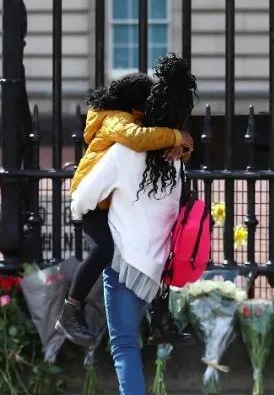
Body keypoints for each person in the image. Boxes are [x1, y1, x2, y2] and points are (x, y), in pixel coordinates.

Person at [70, 53, 198, 395]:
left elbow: (81, 198)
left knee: (123, 346)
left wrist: (99, 216)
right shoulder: (175, 160)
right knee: (133, 341)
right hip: (157, 270)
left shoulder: (124, 153)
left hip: (125, 264)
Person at [56, 67, 193, 348]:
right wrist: (177, 137)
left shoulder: (129, 119)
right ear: (136, 104)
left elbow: (158, 150)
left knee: (159, 244)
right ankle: (70, 310)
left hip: (113, 201)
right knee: (104, 249)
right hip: (93, 203)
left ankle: (161, 318)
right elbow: (140, 139)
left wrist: (182, 146)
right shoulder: (115, 120)